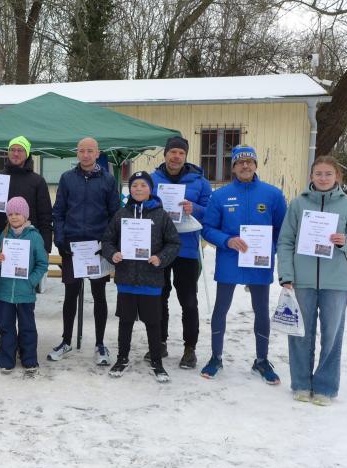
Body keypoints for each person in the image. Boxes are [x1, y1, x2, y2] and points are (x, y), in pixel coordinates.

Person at [277, 156, 347, 405]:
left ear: (337, 176)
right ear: (311, 176)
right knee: (300, 334)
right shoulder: (298, 204)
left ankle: (325, 387)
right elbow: (285, 241)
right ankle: (301, 384)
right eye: (318, 173)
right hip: (302, 280)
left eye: (328, 174)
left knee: (332, 335)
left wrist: (345, 241)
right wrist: (286, 274)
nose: (323, 178)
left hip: (336, 282)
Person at [200, 145, 287, 384]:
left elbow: (283, 229)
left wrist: (270, 250)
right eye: (240, 162)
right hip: (230, 260)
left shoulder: (272, 194)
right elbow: (208, 229)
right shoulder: (220, 196)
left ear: (256, 165)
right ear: (234, 167)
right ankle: (216, 357)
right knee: (221, 309)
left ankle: (262, 360)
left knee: (261, 310)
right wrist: (227, 240)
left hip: (259, 262)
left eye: (249, 161)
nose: (245, 165)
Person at [0, 136, 53, 357]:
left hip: (26, 245)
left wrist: (44, 247)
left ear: (27, 154)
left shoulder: (37, 181)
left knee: (22, 296)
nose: (16, 153)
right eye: (13, 150)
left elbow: (45, 215)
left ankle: (22, 342)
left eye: (20, 150)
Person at [102, 171, 181, 382]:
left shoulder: (161, 215)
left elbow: (174, 243)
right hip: (126, 279)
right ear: (129, 189)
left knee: (153, 322)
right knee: (125, 321)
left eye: (143, 185)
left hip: (151, 279)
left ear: (150, 189)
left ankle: (157, 361)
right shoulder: (121, 214)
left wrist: (160, 258)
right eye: (134, 185)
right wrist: (113, 254)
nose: (138, 189)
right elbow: (107, 240)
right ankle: (122, 358)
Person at [50, 137, 120, 364]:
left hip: (97, 247)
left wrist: (107, 244)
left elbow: (114, 214)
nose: (86, 154)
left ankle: (100, 344)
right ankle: (66, 341)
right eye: (82, 151)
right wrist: (61, 239)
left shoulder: (108, 180)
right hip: (72, 247)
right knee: (70, 294)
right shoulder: (67, 178)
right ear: (77, 153)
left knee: (99, 295)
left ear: (98, 153)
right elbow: (58, 212)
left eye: (90, 151)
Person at [150, 136, 212, 369]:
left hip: (187, 249)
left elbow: (211, 212)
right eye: (172, 152)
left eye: (181, 153)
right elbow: (141, 203)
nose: (176, 157)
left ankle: (189, 348)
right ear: (165, 154)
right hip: (159, 248)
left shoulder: (200, 182)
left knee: (188, 300)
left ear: (185, 156)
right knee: (159, 296)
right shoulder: (153, 179)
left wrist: (194, 208)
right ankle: (160, 342)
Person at [0, 196, 48, 374]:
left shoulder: (34, 237)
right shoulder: (4, 235)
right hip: (5, 291)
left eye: (17, 213)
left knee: (27, 327)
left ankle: (29, 358)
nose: (14, 217)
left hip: (25, 292)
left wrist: (31, 281)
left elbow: (42, 264)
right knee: (6, 326)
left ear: (25, 215)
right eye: (10, 214)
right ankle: (6, 359)